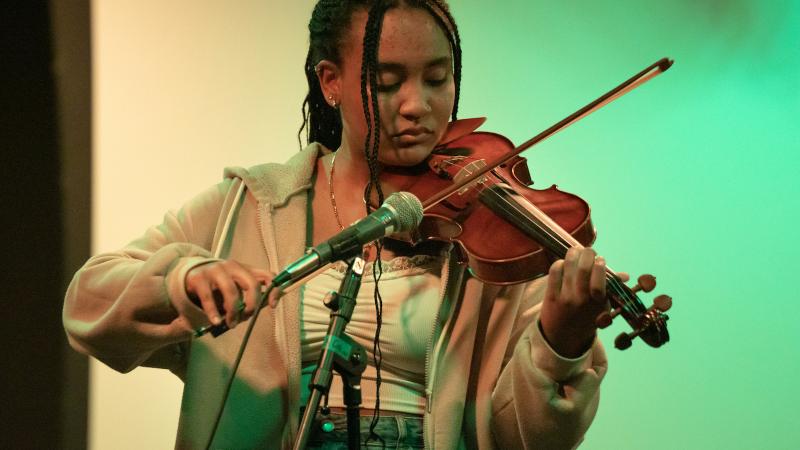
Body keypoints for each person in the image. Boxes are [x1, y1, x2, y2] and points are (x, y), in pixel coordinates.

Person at [64, 1, 614, 448]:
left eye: (437, 79)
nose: (416, 106)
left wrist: (559, 344)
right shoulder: (255, 204)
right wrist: (182, 279)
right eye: (387, 82)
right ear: (331, 82)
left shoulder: (494, 230)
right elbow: (88, 305)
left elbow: (528, 438)